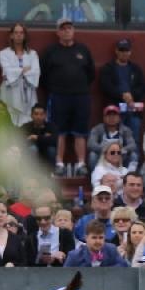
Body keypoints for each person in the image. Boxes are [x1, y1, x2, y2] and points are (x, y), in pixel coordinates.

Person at [41, 18, 95, 176]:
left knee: (80, 132)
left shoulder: (83, 50)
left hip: (81, 96)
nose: (66, 31)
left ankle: (81, 164)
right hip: (58, 96)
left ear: (73, 31)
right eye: (63, 29)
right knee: (59, 131)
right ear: (57, 32)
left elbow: (91, 73)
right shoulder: (51, 51)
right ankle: (59, 163)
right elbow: (43, 75)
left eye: (69, 28)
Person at [98, 38, 145, 149]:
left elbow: (142, 87)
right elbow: (105, 87)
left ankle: (133, 164)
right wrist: (122, 95)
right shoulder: (108, 68)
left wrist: (131, 95)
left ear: (130, 52)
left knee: (134, 140)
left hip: (133, 111)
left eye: (126, 50)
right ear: (116, 51)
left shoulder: (136, 69)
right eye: (121, 50)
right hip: (114, 111)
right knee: (114, 141)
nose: (124, 53)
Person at [0, 23, 40, 127]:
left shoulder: (32, 54)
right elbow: (7, 72)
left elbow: (36, 72)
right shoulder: (4, 53)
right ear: (11, 35)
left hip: (28, 92)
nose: (18, 35)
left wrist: (15, 72)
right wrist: (24, 70)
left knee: (27, 119)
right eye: (16, 32)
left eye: (21, 33)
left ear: (25, 35)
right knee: (10, 118)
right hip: (11, 91)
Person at [88, 105, 138, 170]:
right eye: (108, 115)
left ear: (119, 118)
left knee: (133, 155)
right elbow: (91, 143)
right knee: (92, 155)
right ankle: (96, 177)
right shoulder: (97, 129)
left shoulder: (126, 130)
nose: (111, 118)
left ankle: (129, 176)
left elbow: (132, 145)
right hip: (103, 157)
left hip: (120, 157)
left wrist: (119, 151)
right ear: (104, 118)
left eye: (114, 115)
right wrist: (106, 151)